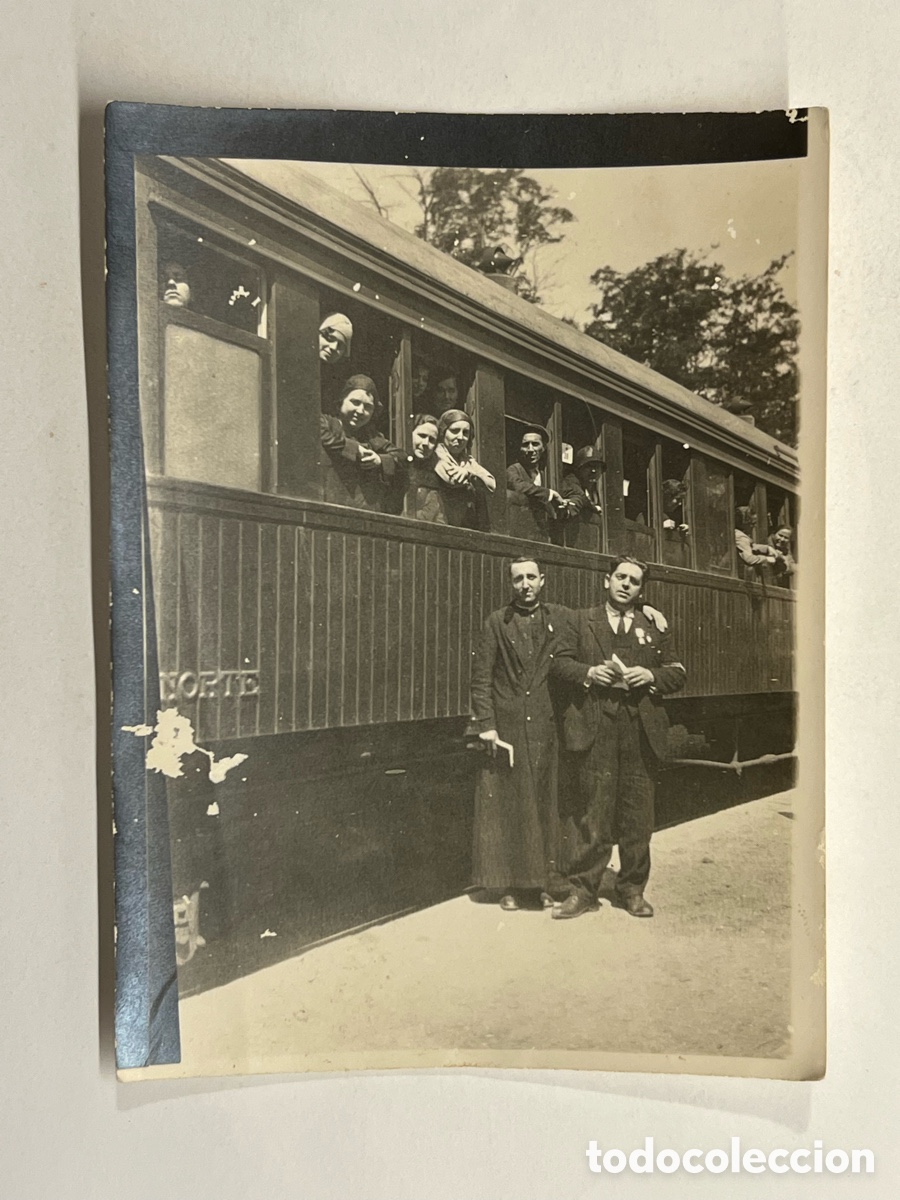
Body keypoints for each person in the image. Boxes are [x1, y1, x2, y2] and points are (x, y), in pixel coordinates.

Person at [551, 555, 686, 919]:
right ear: (606, 581)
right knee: (593, 810)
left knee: (637, 813)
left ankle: (631, 890)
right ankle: (583, 891)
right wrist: (590, 672)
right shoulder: (581, 621)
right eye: (621, 577)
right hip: (597, 726)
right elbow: (560, 664)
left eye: (635, 581)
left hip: (639, 729)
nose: (626, 584)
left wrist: (651, 676)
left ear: (641, 589)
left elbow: (677, 672)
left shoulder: (654, 625)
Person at [468, 558, 569, 910]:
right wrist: (487, 726)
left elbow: (598, 619)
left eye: (531, 577)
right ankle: (508, 886)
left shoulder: (558, 618)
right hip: (508, 727)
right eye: (517, 579)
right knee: (510, 808)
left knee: (544, 805)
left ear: (543, 580)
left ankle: (542, 884)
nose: (525, 584)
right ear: (510, 584)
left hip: (545, 724)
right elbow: (481, 678)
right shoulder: (497, 622)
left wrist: (645, 606)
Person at [320, 374, 405, 511]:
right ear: (341, 401)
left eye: (368, 407)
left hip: (364, 514)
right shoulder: (327, 423)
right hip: (328, 508)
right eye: (355, 402)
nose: (360, 411)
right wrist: (355, 450)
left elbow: (402, 457)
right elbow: (324, 436)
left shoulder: (373, 438)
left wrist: (380, 460)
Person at [433, 409, 496, 527]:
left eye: (465, 432)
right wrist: (474, 478)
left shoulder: (467, 460)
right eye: (454, 431)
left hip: (464, 524)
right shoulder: (437, 454)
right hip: (442, 522)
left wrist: (469, 474)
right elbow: (451, 479)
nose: (461, 437)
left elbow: (491, 484)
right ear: (443, 432)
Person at [506, 425, 567, 542]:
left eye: (535, 444)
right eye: (525, 445)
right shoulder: (513, 470)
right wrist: (548, 493)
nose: (530, 449)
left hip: (543, 537)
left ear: (543, 448)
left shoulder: (545, 475)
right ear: (520, 448)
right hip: (521, 536)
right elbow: (517, 485)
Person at [404, 413, 446, 523]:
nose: (425, 443)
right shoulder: (399, 465)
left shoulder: (437, 473)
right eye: (421, 436)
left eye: (432, 440)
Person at [734, 506, 781, 570]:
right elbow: (749, 559)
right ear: (745, 523)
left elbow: (749, 546)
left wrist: (767, 549)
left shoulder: (737, 533)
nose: (753, 526)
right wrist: (767, 559)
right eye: (752, 523)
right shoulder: (741, 536)